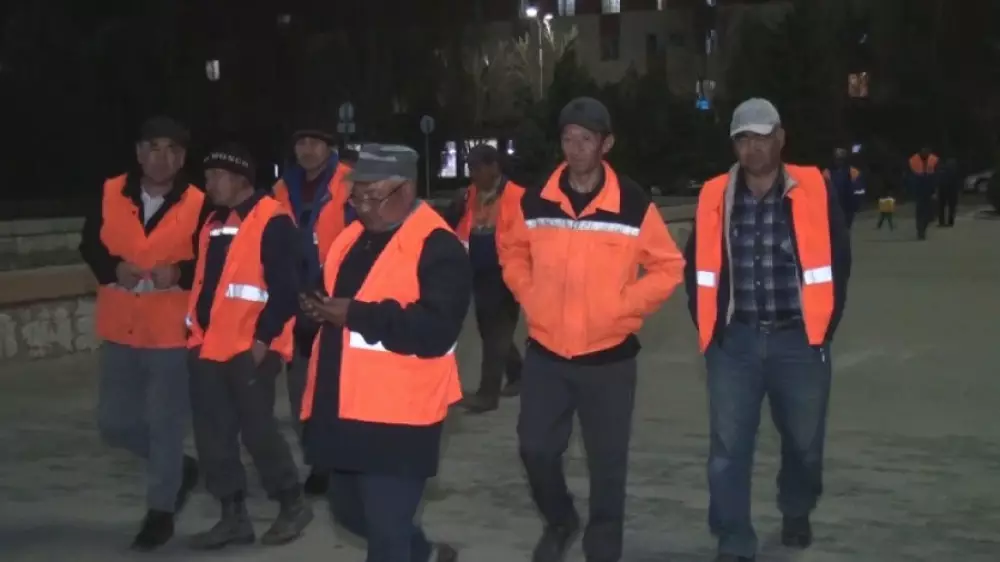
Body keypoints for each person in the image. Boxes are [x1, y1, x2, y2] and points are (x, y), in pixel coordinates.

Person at [498, 97, 685, 562]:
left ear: (606, 144)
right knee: (535, 450)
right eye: (568, 138)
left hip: (609, 361)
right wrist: (530, 294)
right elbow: (513, 250)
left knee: (607, 466)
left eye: (586, 139)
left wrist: (624, 307)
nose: (576, 148)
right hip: (547, 354)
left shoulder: (632, 203)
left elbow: (668, 266)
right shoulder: (537, 197)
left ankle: (603, 549)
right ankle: (560, 519)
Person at [683, 98, 852, 562]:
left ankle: (796, 507)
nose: (753, 148)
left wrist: (824, 326)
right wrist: (709, 327)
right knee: (727, 449)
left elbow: (839, 260)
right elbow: (695, 266)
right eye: (743, 139)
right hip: (733, 343)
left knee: (805, 444)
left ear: (780, 138)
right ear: (733, 145)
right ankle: (734, 538)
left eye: (761, 137)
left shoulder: (813, 188)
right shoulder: (715, 195)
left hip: (799, 342)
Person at [297, 143, 469, 562]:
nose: (361, 207)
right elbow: (325, 289)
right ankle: (425, 555)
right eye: (356, 196)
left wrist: (355, 314)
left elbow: (437, 330)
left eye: (372, 196)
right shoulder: (351, 238)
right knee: (350, 513)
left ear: (405, 190)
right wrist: (314, 306)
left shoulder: (438, 247)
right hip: (343, 409)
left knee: (387, 535)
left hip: (400, 420)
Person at [79, 116, 209, 550]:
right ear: (139, 153)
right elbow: (90, 245)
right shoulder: (110, 192)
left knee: (165, 425)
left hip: (171, 331)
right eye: (154, 147)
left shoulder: (199, 202)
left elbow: (215, 259)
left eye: (172, 149)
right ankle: (180, 469)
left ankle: (161, 511)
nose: (162, 157)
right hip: (121, 326)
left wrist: (181, 273)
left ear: (183, 158)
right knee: (114, 424)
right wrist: (112, 268)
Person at [185, 143, 313, 549]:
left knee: (258, 432)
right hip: (208, 347)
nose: (208, 184)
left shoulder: (271, 220)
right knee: (213, 437)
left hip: (249, 349)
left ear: (239, 178)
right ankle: (233, 516)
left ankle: (292, 502)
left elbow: (287, 290)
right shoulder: (214, 222)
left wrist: (261, 341)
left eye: (215, 177)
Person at [273, 118, 358, 496]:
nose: (307, 150)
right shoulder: (281, 188)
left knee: (336, 385)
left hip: (336, 299)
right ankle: (318, 460)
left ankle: (338, 460)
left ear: (329, 146)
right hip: (295, 301)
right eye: (301, 143)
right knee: (299, 388)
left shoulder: (350, 182)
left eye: (315, 142)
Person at [445, 143, 525, 414]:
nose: (473, 174)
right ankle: (518, 372)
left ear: (494, 167)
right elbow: (451, 224)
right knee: (490, 330)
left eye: (478, 168)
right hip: (477, 271)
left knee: (496, 331)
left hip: (507, 273)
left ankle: (487, 394)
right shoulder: (469, 195)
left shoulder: (517, 196)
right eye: (470, 168)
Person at [822, 148, 865, 228]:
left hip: (848, 207)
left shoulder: (853, 171)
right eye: (837, 159)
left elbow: (859, 190)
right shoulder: (827, 172)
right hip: (833, 207)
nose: (838, 161)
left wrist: (856, 205)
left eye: (840, 159)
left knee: (846, 228)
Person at [905, 145, 939, 240]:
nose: (925, 152)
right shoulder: (913, 160)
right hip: (918, 188)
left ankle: (924, 225)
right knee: (920, 210)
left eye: (927, 150)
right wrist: (910, 189)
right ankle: (920, 231)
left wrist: (935, 190)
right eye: (923, 150)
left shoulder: (934, 160)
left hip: (930, 187)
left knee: (929, 211)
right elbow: (909, 176)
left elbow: (937, 176)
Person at [937, 156, 961, 227]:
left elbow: (938, 180)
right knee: (951, 207)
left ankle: (942, 222)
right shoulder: (954, 170)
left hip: (943, 190)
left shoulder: (942, 169)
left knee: (942, 207)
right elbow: (957, 181)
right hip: (951, 190)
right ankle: (950, 222)